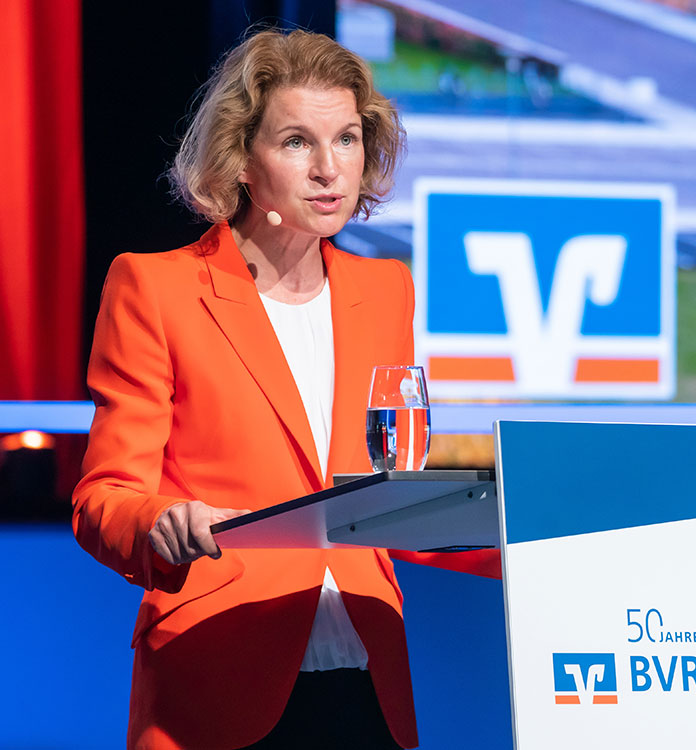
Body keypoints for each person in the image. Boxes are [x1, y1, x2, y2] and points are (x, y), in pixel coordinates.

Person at [72, 28, 497, 750]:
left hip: (368, 677)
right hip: (218, 676)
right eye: (298, 142)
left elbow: (387, 492)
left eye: (348, 140)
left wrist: (515, 535)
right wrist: (163, 525)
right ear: (241, 159)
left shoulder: (386, 289)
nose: (330, 169)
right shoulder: (155, 287)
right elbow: (103, 497)